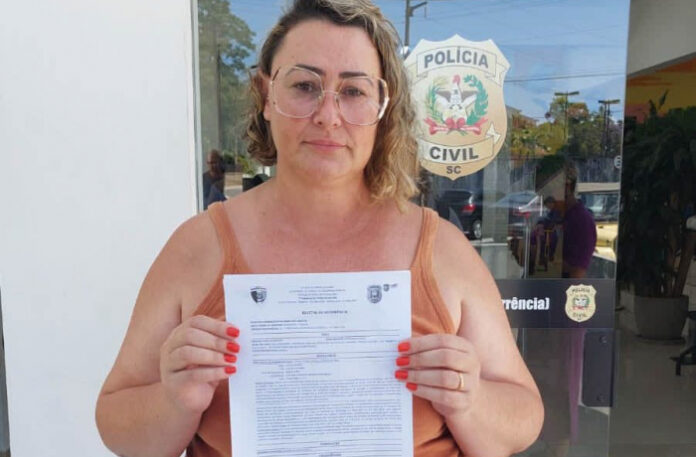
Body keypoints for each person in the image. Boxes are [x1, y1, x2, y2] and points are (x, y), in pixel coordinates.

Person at [95, 1, 543, 456]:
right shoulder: (199, 246)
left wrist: (471, 399)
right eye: (305, 86)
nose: (329, 115)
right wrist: (173, 400)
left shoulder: (440, 248)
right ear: (266, 96)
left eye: (353, 91)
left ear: (382, 107)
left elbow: (522, 418)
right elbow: (117, 424)